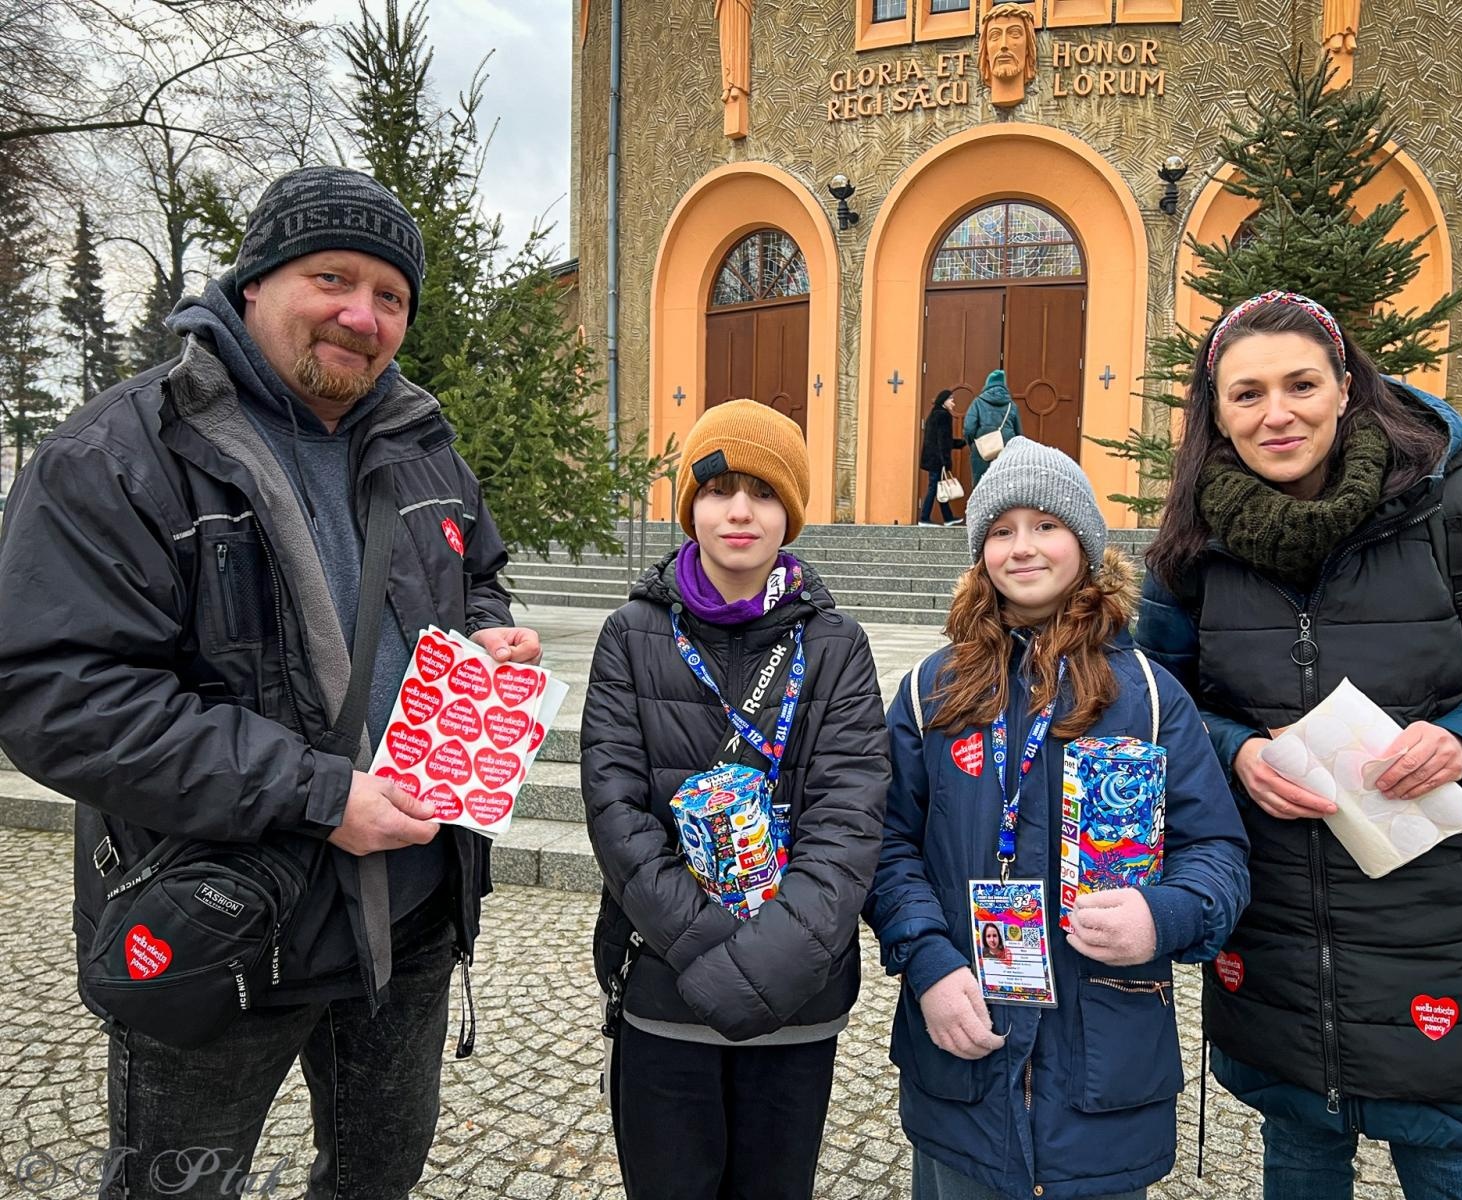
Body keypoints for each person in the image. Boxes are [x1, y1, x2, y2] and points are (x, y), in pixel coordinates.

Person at [0, 166, 542, 1200]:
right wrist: (318, 793)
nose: (361, 314)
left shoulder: (422, 440)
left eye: (390, 296)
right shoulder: (121, 454)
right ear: (253, 283)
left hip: (413, 915)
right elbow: (56, 694)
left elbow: (477, 569)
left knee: (373, 1183)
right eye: (331, 277)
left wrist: (489, 632)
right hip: (223, 922)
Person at [1135, 291, 1462, 1200]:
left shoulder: (1452, 515)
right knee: (1299, 1149)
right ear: (1215, 413)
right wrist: (1234, 753)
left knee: (1452, 1160)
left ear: (1346, 387)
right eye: (1247, 394)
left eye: (1301, 384)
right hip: (1277, 913)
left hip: (1432, 905)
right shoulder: (1190, 548)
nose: (1277, 413)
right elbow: (1160, 700)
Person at [865, 438, 1250, 1200]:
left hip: (1103, 1066)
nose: (1024, 547)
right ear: (980, 553)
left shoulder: (1148, 694)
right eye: (1002, 530)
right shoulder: (928, 692)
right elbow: (882, 847)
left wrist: (1164, 914)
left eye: (1046, 524)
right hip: (964, 1054)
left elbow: (1218, 850)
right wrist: (929, 965)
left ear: (1085, 542)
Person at [582, 399, 891, 1200]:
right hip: (663, 982)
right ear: (692, 505)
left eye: (763, 490)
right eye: (720, 489)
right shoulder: (631, 634)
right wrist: (711, 954)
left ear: (792, 508)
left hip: (800, 990)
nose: (741, 511)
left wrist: (767, 964)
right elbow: (616, 811)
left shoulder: (836, 645)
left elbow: (848, 821)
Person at [963, 368, 1022, 489]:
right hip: (1007, 450)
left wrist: (972, 444)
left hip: (982, 450)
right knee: (1005, 484)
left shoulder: (978, 402)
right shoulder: (1012, 405)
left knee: (981, 485)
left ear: (987, 384)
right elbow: (1019, 434)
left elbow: (969, 428)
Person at [919, 388, 967, 526]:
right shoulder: (943, 415)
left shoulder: (934, 414)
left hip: (932, 457)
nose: (953, 403)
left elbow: (941, 439)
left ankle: (947, 517)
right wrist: (946, 461)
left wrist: (960, 443)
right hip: (937, 458)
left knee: (939, 487)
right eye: (951, 399)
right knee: (934, 487)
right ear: (944, 401)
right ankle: (924, 518)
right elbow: (943, 441)